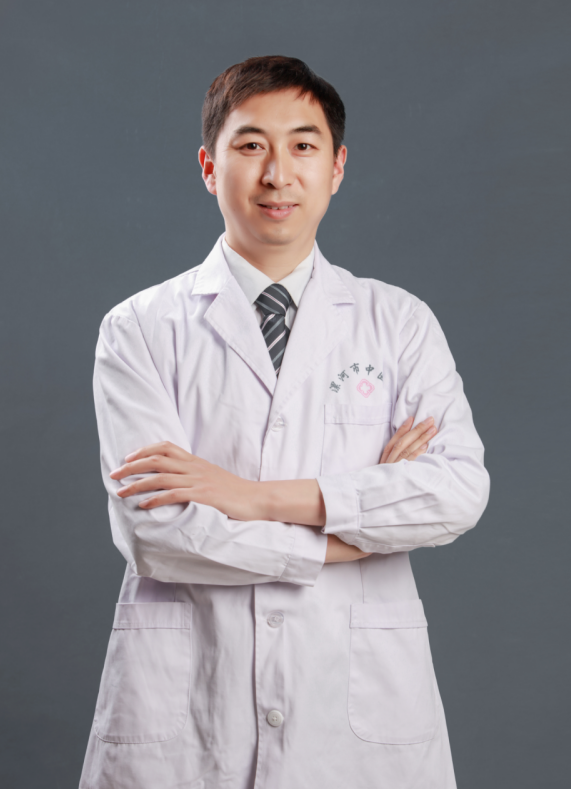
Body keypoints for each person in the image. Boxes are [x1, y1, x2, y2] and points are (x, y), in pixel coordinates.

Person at [79, 56, 490, 789]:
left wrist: (246, 495)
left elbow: (455, 492)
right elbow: (156, 535)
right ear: (210, 167)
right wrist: (349, 534)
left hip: (355, 710)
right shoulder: (139, 328)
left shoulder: (398, 323)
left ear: (336, 167)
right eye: (250, 145)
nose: (277, 173)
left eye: (303, 145)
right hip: (189, 709)